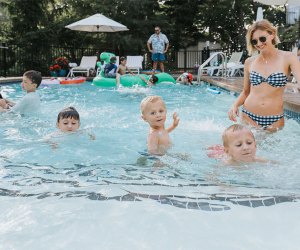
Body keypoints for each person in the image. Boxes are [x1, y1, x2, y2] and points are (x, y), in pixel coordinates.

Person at [228, 19, 300, 131]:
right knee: (243, 148)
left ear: (272, 34)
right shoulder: (249, 62)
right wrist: (235, 105)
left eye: (262, 39)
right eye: (254, 41)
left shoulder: (288, 57)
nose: (259, 44)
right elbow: (246, 91)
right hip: (248, 115)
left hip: (274, 118)